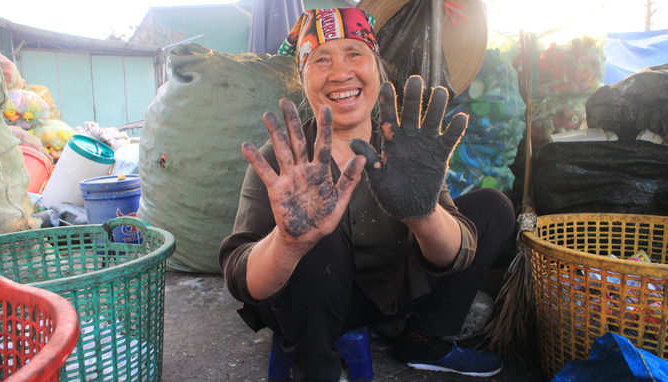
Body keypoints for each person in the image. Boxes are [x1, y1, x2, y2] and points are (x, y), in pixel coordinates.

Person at [219, 7, 516, 382]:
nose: (341, 72)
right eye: (321, 59)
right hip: (307, 302)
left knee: (494, 208)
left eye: (355, 54)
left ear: (377, 68)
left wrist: (423, 215)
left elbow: (454, 255)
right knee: (312, 236)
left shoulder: (404, 148)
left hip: (393, 288)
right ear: (302, 76)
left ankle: (422, 339)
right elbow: (239, 277)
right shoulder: (282, 159)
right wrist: (288, 243)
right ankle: (316, 368)